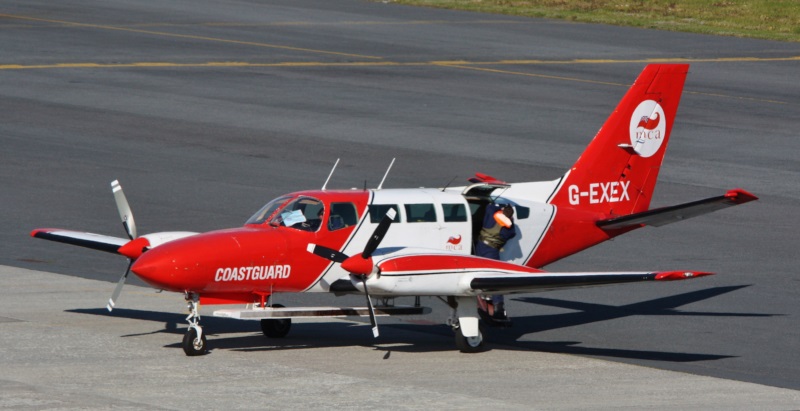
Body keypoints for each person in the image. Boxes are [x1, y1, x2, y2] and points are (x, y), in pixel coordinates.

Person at [475, 203, 516, 325]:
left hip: (480, 246)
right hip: (492, 251)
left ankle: (482, 296)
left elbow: (488, 207)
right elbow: (512, 233)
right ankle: (498, 306)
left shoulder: (492, 215)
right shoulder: (509, 229)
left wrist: (499, 207)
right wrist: (510, 220)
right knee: (494, 278)